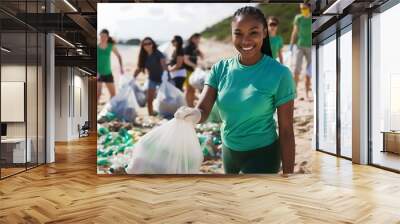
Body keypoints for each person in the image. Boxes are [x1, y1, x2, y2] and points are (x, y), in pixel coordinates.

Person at [174, 6, 296, 176]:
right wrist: (192, 114)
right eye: (238, 33)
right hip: (229, 152)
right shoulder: (220, 69)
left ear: (264, 33)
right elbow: (203, 109)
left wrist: (289, 175)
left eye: (253, 32)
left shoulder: (280, 74)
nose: (245, 40)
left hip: (263, 154)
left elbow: (286, 130)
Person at [134, 37, 167, 116]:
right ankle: (151, 116)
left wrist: (166, 77)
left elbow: (164, 66)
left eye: (149, 43)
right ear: (143, 46)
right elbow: (140, 68)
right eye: (145, 44)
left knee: (165, 100)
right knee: (149, 100)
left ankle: (165, 114)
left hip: (162, 79)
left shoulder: (158, 54)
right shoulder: (143, 56)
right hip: (152, 79)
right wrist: (132, 78)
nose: (147, 45)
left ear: (153, 44)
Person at [289, 2, 312, 100]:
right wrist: (291, 43)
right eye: (301, 8)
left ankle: (307, 94)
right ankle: (294, 94)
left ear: (309, 7)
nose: (303, 10)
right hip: (300, 46)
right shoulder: (298, 18)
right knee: (296, 70)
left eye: (304, 8)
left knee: (308, 71)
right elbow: (294, 31)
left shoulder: (313, 18)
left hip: (311, 46)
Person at [97, 29, 123, 100]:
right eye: (101, 36)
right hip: (99, 74)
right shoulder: (97, 47)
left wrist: (121, 68)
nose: (103, 38)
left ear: (108, 37)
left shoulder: (111, 46)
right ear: (99, 36)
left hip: (108, 73)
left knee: (113, 94)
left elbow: (119, 56)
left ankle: (110, 108)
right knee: (98, 95)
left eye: (104, 36)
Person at [183, 33, 204, 107]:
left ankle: (191, 105)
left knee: (193, 89)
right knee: (189, 89)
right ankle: (189, 106)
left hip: (192, 70)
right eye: (196, 38)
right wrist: (195, 66)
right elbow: (185, 60)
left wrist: (200, 53)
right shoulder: (188, 47)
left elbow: (201, 56)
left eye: (198, 38)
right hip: (187, 70)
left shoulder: (194, 47)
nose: (198, 40)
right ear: (192, 39)